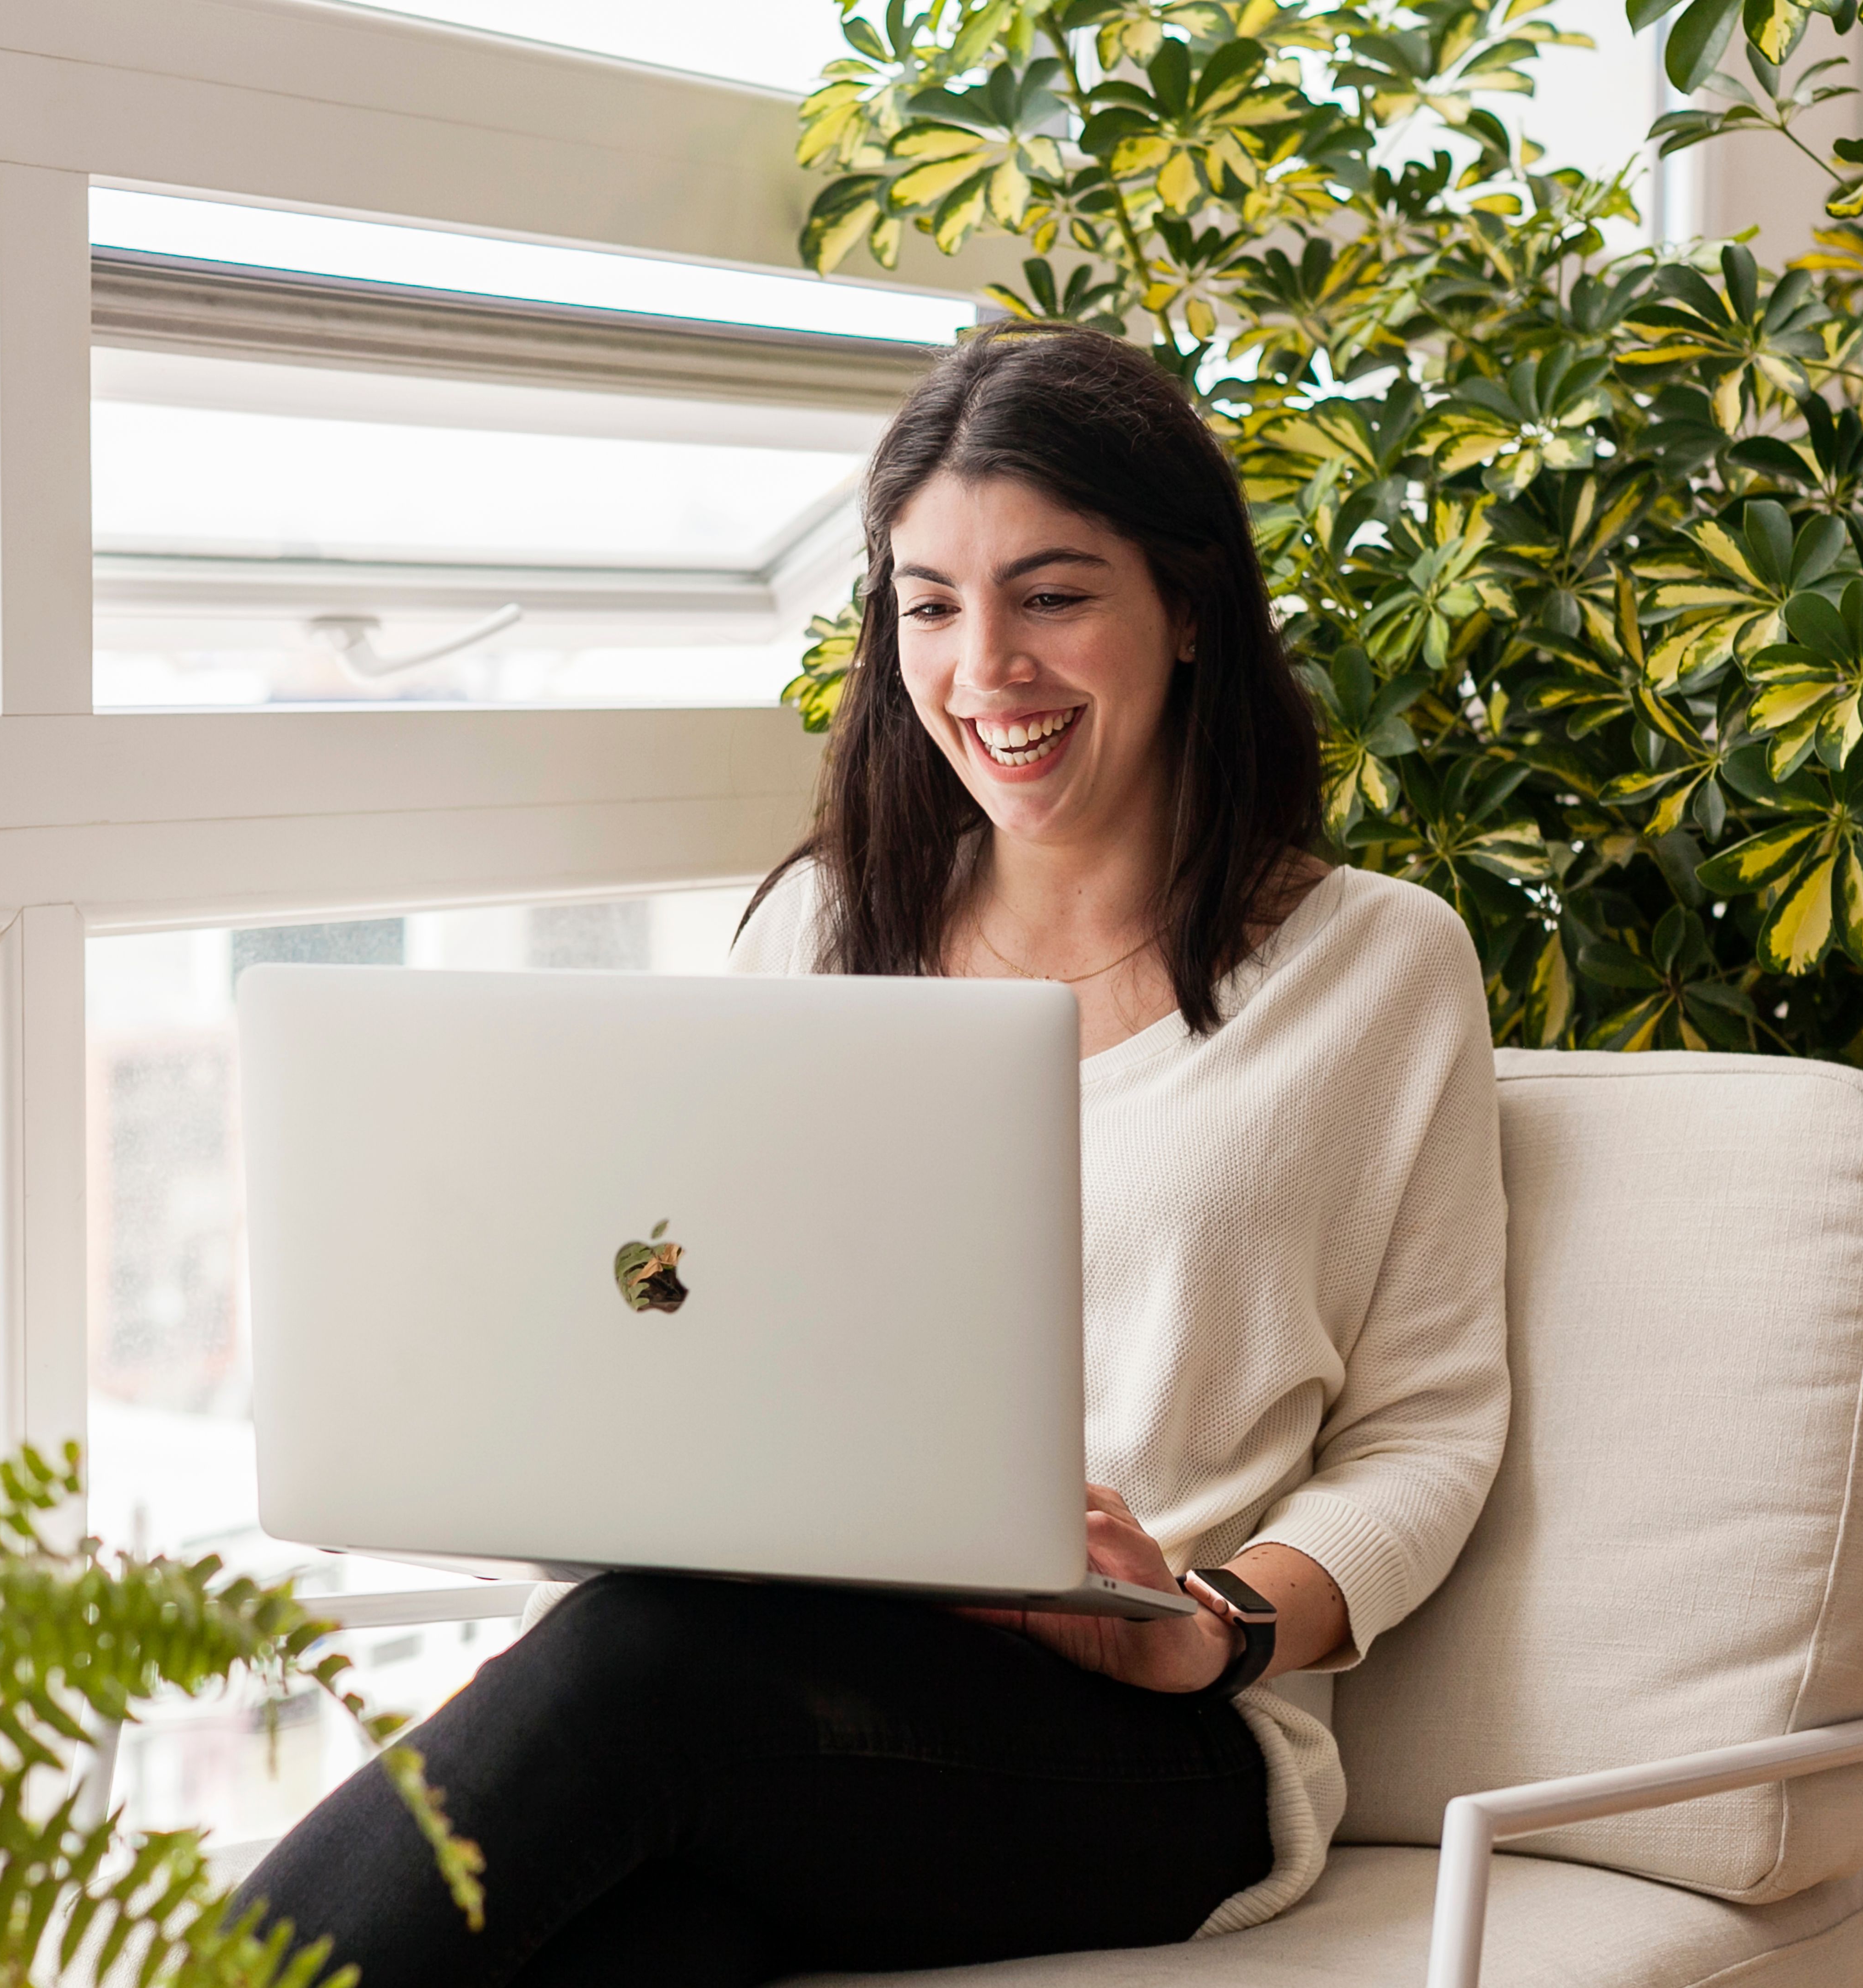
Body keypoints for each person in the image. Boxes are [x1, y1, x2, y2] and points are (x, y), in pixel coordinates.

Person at [241, 324, 1512, 1983]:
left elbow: (1428, 1436)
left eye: (1053, 595)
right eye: (931, 605)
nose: (987, 668)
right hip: (789, 1690)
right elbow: (678, 1312)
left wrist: (1211, 1627)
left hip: (1150, 1757)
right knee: (620, 1940)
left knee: (641, 1670)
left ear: (1189, 606)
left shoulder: (1377, 966)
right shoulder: (823, 928)